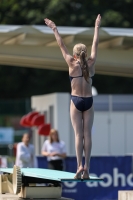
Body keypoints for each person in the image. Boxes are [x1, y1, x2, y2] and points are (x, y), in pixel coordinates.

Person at [44, 14, 101, 179]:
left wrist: (54, 28)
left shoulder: (70, 62)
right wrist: (96, 26)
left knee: (78, 135)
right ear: (85, 53)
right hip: (88, 101)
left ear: (75, 55)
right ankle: (87, 168)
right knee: (87, 135)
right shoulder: (91, 63)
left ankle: (78, 167)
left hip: (75, 101)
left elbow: (61, 44)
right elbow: (96, 43)